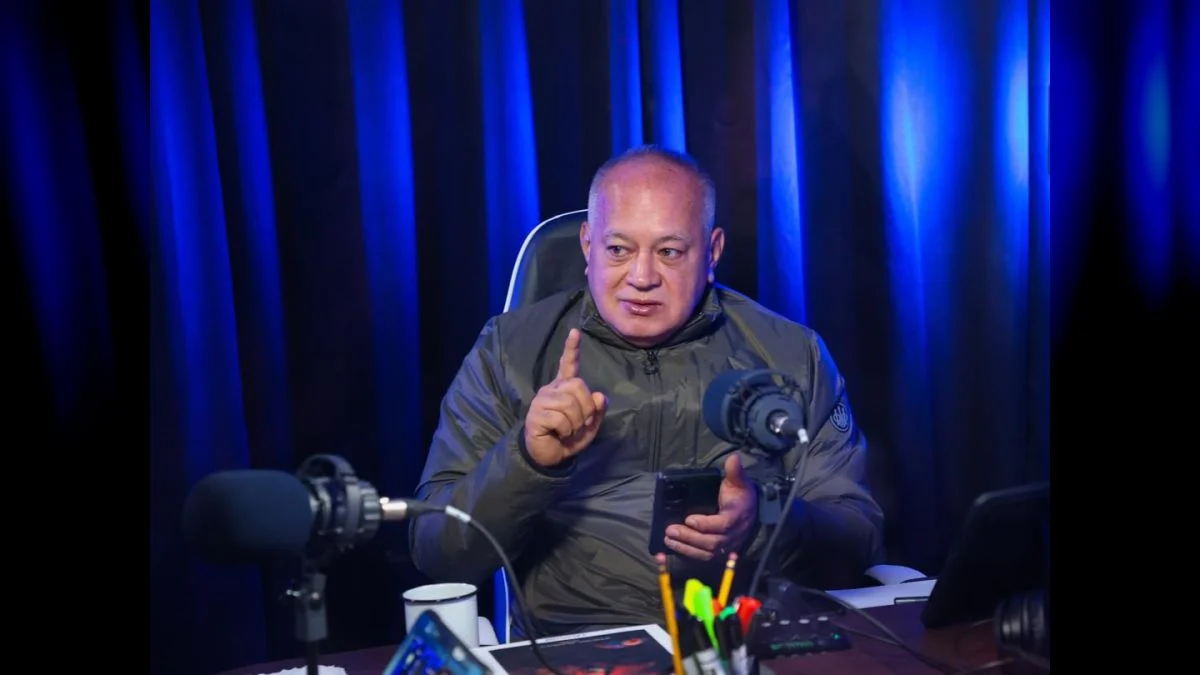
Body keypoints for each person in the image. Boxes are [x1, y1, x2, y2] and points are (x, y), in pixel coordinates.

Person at [410, 145, 884, 637]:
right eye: (618, 249)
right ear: (588, 245)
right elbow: (437, 552)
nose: (641, 278)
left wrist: (764, 525)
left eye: (669, 252)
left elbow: (859, 538)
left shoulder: (792, 355)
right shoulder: (508, 352)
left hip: (746, 640)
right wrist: (527, 460)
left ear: (712, 252)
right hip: (582, 650)